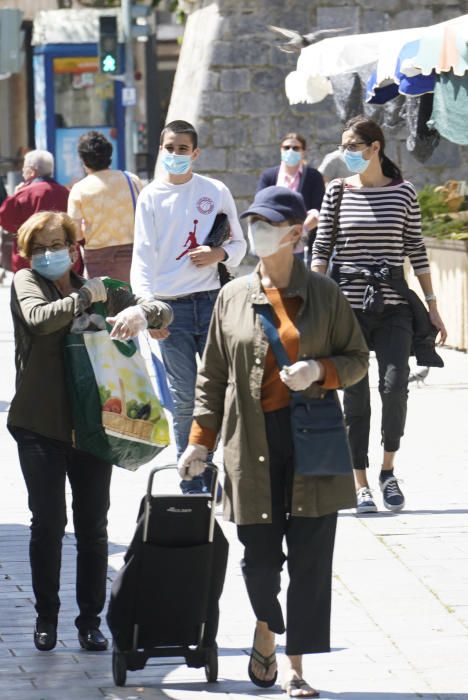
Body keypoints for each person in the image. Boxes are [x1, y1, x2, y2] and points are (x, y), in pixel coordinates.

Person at [177, 186, 368, 696]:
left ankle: (297, 669)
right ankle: (267, 624)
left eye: (267, 224)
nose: (257, 231)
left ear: (293, 233)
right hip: (249, 442)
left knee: (309, 562)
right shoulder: (232, 296)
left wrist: (320, 370)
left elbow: (357, 359)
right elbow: (211, 376)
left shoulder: (325, 293)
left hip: (313, 442)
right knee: (259, 560)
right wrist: (199, 441)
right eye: (252, 222)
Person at [8, 210, 172, 653]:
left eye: (56, 245)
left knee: (93, 528)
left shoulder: (96, 287)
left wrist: (142, 313)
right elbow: (41, 319)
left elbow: (160, 311)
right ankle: (47, 618)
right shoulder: (27, 283)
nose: (48, 255)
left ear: (73, 247)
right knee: (48, 524)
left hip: (94, 429)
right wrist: (87, 298)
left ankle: (90, 621)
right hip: (40, 425)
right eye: (38, 249)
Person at [312, 115, 447, 515]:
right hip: (347, 308)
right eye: (343, 146)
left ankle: (388, 471)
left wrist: (433, 306)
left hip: (393, 306)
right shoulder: (337, 191)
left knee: (394, 387)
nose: (346, 153)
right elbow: (321, 249)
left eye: (353, 146)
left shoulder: (403, 193)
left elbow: (416, 251)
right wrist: (317, 303)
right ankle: (361, 483)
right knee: (355, 399)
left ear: (374, 148)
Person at [130, 119, 247, 494]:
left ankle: (217, 469)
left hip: (212, 304)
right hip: (169, 311)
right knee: (183, 399)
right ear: (161, 149)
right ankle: (191, 478)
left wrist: (218, 254)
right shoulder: (150, 196)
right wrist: (149, 311)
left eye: (183, 149)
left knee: (222, 392)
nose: (176, 155)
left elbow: (241, 246)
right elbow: (142, 259)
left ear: (195, 153)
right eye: (170, 148)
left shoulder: (214, 190)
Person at [68, 131, 142, 283]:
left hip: (98, 257)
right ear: (109, 155)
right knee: (134, 300)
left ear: (83, 159)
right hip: (134, 253)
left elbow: (75, 234)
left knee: (104, 301)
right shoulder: (131, 179)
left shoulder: (79, 189)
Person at [0, 149, 83, 274]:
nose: (23, 174)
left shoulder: (23, 195)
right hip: (63, 262)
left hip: (31, 261)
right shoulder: (66, 193)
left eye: (24, 169)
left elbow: (6, 220)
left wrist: (15, 194)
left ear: (32, 171)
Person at [256, 132, 325, 265]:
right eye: (286, 147)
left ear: (303, 151)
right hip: (273, 241)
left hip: (303, 243)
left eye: (296, 148)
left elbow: (318, 209)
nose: (290, 151)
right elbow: (260, 206)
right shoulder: (269, 176)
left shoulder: (313, 176)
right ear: (281, 150)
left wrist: (299, 231)